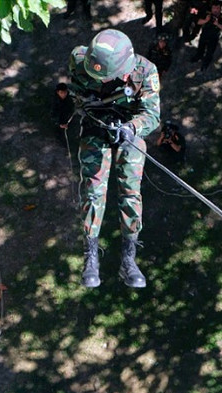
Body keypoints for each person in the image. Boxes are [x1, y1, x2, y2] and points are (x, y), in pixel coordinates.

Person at [69, 29, 161, 289]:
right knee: (92, 192)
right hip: (96, 127)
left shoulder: (145, 72)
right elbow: (76, 90)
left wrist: (131, 128)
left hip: (128, 132)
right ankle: (91, 256)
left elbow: (152, 115)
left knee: (130, 192)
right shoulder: (79, 60)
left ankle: (129, 259)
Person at [189, 1, 222, 72]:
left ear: (220, 9)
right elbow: (198, 22)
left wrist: (217, 24)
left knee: (210, 52)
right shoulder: (207, 14)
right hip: (204, 35)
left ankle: (205, 64)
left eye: (217, 8)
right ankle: (198, 57)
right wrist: (206, 20)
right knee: (200, 48)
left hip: (214, 38)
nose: (215, 10)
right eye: (214, 8)